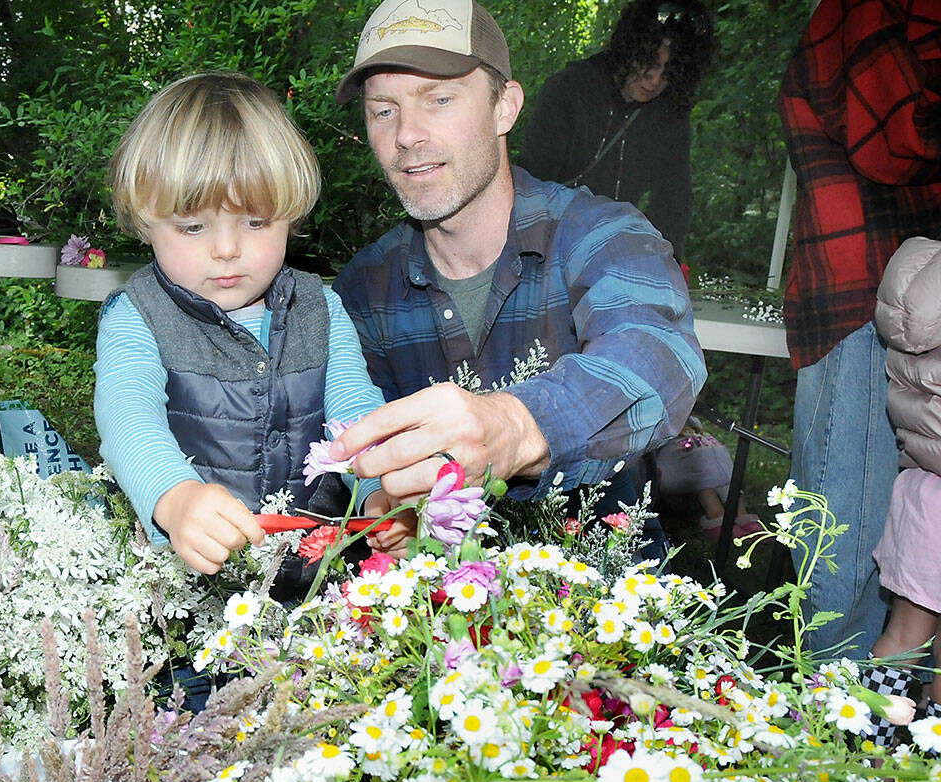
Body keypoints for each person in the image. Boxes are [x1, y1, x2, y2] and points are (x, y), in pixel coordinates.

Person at [328, 0, 706, 549]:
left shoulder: (602, 235)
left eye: (438, 99)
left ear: (505, 108)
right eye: (383, 110)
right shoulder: (364, 288)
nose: (406, 134)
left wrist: (516, 426)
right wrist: (382, 501)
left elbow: (660, 354)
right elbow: (352, 432)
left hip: (600, 606)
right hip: (432, 616)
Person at [94, 71, 395, 579]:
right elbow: (128, 419)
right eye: (193, 226)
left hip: (313, 583)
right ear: (145, 223)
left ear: (290, 215)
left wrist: (379, 490)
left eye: (256, 222)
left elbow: (357, 418)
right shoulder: (136, 315)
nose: (227, 249)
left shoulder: (321, 308)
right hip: (182, 591)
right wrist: (175, 496)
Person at [778, 0, 941, 658]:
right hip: (866, 301)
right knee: (840, 580)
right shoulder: (872, 7)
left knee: (893, 571)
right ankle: (835, 749)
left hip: (903, 302)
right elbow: (892, 140)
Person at [518, 0, 714, 260]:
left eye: (668, 72)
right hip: (548, 245)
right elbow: (533, 181)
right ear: (629, 50)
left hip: (612, 251)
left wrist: (666, 263)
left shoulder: (669, 116)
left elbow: (673, 201)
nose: (655, 80)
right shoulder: (570, 89)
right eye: (650, 63)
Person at [861, 236, 941, 748]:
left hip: (923, 488)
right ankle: (923, 769)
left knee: (903, 635)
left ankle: (862, 742)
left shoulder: (920, 281)